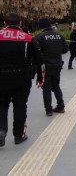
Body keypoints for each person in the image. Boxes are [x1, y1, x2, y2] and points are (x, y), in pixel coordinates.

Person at [0, 13, 44, 146]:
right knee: (20, 106)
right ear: (20, 24)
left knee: (1, 105)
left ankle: (1, 130)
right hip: (22, 78)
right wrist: (40, 77)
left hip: (1, 78)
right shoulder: (29, 38)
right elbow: (39, 60)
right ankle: (19, 135)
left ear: (4, 23)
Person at [35, 19, 69, 116]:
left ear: (41, 27)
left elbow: (36, 53)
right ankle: (61, 106)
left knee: (46, 88)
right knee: (56, 86)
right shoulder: (59, 36)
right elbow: (65, 49)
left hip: (45, 67)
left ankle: (48, 110)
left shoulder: (39, 37)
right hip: (57, 65)